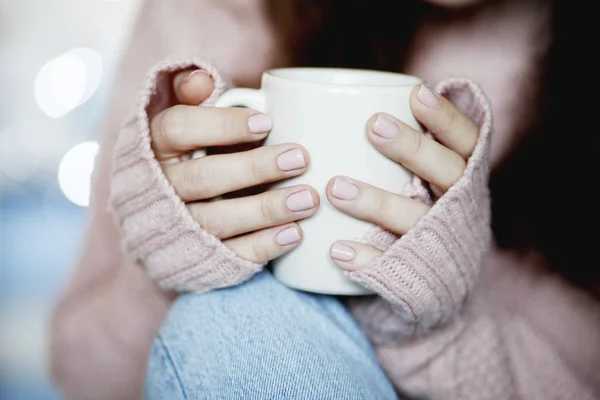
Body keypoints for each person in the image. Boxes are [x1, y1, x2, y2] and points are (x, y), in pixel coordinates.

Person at [49, 0, 600, 399]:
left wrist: (440, 329)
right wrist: (162, 271)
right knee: (231, 319)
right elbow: (80, 376)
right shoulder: (211, 15)